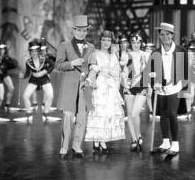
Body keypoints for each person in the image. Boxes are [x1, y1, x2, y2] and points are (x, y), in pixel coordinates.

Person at [55, 15, 95, 159]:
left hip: (84, 87)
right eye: (79, 30)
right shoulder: (64, 45)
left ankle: (76, 146)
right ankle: (64, 147)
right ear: (74, 31)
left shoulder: (91, 47)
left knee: (82, 118)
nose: (82, 33)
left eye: (84, 30)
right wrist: (71, 63)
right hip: (69, 87)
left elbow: (92, 66)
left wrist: (91, 75)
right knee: (67, 117)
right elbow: (58, 65)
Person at [147, 22, 188, 157]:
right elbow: (151, 71)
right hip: (161, 88)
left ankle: (175, 144)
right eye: (162, 34)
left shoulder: (181, 50)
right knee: (163, 115)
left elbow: (185, 71)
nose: (165, 37)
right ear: (159, 36)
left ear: (172, 35)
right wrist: (154, 83)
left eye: (168, 34)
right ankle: (165, 142)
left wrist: (184, 92)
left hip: (175, 86)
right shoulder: (155, 52)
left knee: (172, 114)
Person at [84, 30, 126, 153]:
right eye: (104, 40)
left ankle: (101, 140)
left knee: (108, 114)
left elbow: (117, 72)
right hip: (100, 86)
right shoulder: (95, 54)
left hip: (111, 86)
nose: (106, 42)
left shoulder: (113, 56)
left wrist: (116, 81)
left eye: (109, 40)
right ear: (100, 41)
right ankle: (97, 140)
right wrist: (90, 79)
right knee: (98, 112)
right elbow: (92, 70)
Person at [123, 32, 149, 151]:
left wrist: (151, 85)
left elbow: (150, 71)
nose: (136, 44)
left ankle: (138, 134)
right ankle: (134, 139)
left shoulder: (146, 55)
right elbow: (123, 71)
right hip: (129, 87)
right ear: (131, 43)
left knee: (134, 114)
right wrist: (124, 82)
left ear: (141, 43)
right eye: (133, 42)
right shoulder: (126, 55)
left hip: (142, 87)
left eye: (138, 42)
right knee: (131, 115)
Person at [22, 40, 55, 122]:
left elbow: (52, 65)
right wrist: (22, 76)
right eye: (32, 51)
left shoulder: (44, 59)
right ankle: (29, 113)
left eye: (36, 51)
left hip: (44, 79)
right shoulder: (28, 62)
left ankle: (46, 113)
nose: (34, 53)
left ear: (38, 51)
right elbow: (27, 73)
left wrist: (46, 71)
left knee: (50, 95)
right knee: (25, 95)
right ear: (30, 52)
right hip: (34, 80)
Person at [0, 41, 17, 112]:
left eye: (2, 49)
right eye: (0, 49)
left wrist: (4, 59)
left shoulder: (6, 57)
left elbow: (14, 65)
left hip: (4, 74)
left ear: (4, 50)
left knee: (11, 88)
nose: (1, 51)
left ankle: (7, 105)